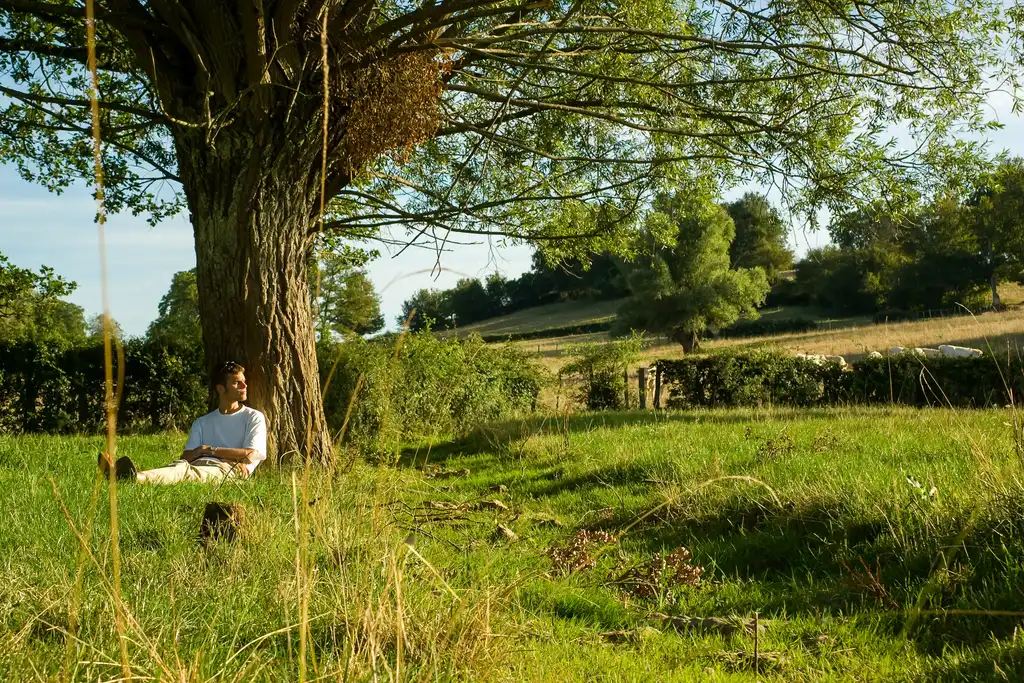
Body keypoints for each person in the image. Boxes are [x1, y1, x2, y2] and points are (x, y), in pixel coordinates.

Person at [99, 361, 267, 484]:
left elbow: (250, 455)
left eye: (244, 381)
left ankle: (133, 478)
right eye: (237, 382)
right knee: (180, 466)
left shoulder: (253, 417)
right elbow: (187, 456)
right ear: (221, 388)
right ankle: (125, 476)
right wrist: (203, 453)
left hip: (229, 470)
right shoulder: (202, 422)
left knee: (184, 472)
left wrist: (207, 450)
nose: (244, 385)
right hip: (196, 465)